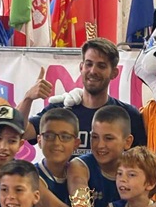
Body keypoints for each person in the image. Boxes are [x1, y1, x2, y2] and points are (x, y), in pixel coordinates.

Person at [17, 38, 146, 155]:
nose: (93, 71)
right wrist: (28, 98)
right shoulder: (60, 109)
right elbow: (21, 132)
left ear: (114, 73)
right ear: (81, 67)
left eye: (101, 66)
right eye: (89, 64)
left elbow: (141, 161)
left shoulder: (128, 115)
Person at [35, 108, 81, 204]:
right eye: (49, 136)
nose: (56, 143)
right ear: (39, 141)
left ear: (76, 144)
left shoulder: (83, 175)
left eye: (65, 137)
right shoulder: (30, 175)